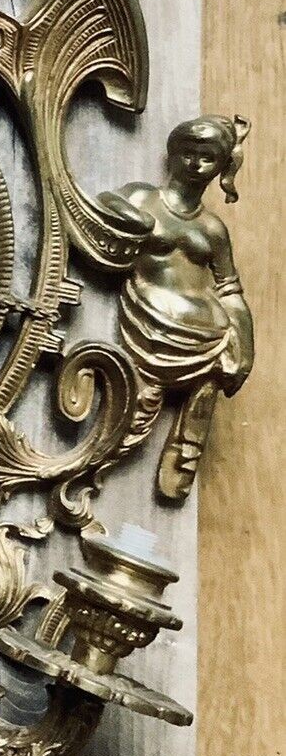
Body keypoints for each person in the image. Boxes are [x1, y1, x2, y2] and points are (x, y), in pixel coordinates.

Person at [100, 116, 255, 499]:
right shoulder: (143, 198)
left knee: (200, 408)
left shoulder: (213, 230)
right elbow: (102, 206)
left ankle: (182, 462)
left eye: (208, 157)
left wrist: (245, 345)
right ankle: (94, 473)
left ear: (221, 168)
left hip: (209, 336)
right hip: (150, 327)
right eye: (188, 152)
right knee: (130, 415)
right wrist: (129, 217)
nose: (196, 163)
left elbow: (229, 290)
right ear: (172, 154)